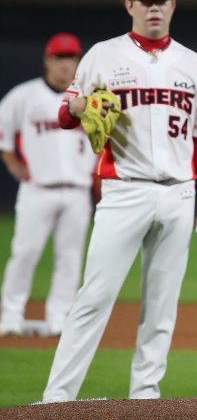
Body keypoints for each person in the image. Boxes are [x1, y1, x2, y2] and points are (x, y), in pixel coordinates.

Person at [42, 0, 197, 402]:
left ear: (174, 4)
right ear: (129, 5)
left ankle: (145, 395)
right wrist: (80, 103)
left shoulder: (193, 64)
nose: (154, 7)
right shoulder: (103, 55)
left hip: (180, 192)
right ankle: (56, 400)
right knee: (94, 297)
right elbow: (64, 117)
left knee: (161, 306)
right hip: (125, 189)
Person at [0, 33, 95, 338]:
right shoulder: (24, 96)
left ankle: (59, 320)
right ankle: (10, 316)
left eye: (72, 58)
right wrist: (15, 166)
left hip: (78, 193)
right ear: (47, 60)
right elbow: (3, 135)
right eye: (60, 58)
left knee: (69, 259)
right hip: (38, 190)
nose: (67, 64)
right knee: (25, 253)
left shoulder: (90, 100)